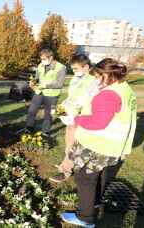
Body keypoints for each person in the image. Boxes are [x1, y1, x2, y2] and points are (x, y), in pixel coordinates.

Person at [59, 58, 137, 227]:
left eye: (97, 76)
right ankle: (93, 202)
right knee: (97, 175)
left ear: (106, 75)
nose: (95, 80)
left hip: (99, 143)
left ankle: (85, 217)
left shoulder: (108, 94)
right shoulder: (125, 88)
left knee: (84, 178)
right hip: (114, 144)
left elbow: (98, 122)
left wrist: (75, 119)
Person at [49, 54, 99, 183]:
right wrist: (62, 108)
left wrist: (77, 113)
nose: (74, 71)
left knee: (74, 145)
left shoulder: (93, 82)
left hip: (81, 118)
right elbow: (72, 97)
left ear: (86, 67)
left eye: (76, 69)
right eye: (73, 69)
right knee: (69, 142)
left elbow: (90, 102)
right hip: (71, 118)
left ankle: (66, 169)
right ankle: (66, 162)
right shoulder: (76, 79)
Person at [24, 49, 66, 136]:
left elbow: (59, 84)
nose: (42, 61)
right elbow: (37, 77)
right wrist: (34, 81)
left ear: (51, 57)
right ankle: (29, 128)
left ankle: (45, 132)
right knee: (32, 111)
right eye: (41, 59)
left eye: (44, 59)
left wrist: (45, 85)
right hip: (39, 92)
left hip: (52, 95)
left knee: (48, 114)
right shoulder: (40, 65)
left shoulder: (61, 68)